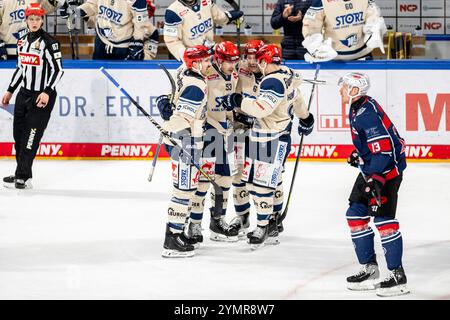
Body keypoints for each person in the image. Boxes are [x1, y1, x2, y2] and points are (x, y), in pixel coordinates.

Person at [222, 44, 314, 249]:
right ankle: (273, 223)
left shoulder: (272, 81)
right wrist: (306, 118)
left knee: (261, 185)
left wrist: (238, 100)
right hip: (278, 135)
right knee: (272, 181)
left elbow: (261, 109)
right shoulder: (288, 77)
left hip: (268, 137)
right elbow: (298, 100)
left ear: (264, 61)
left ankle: (262, 226)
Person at [339, 72, 409, 297]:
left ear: (355, 90)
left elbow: (385, 149)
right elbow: (374, 144)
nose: (341, 90)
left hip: (386, 172)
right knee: (355, 215)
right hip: (372, 170)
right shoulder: (359, 106)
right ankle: (370, 270)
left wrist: (376, 177)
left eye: (345, 87)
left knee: (384, 221)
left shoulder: (365, 114)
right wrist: (361, 155)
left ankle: (398, 277)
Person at [156, 45, 212, 258]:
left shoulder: (183, 71)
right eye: (206, 61)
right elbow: (182, 119)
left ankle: (178, 232)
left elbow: (172, 97)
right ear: (196, 63)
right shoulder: (196, 85)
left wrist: (164, 103)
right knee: (183, 190)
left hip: (183, 140)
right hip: (185, 142)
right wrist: (169, 118)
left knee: (186, 188)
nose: (210, 64)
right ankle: (172, 239)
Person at [1, 3, 64, 189]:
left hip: (42, 97)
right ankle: (23, 173)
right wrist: (10, 90)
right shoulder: (22, 42)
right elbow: (20, 69)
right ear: (26, 20)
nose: (34, 22)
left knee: (31, 137)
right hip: (23, 95)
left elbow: (58, 70)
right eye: (31, 19)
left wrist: (46, 91)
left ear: (42, 20)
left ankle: (22, 177)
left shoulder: (50, 42)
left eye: (37, 19)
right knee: (18, 136)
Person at [187, 41, 240, 245]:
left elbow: (228, 106)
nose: (232, 66)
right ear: (218, 59)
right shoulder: (204, 74)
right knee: (204, 180)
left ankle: (217, 222)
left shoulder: (233, 74)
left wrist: (233, 121)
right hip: (207, 132)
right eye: (228, 61)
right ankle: (194, 223)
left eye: (235, 61)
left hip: (225, 133)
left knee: (226, 179)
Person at [227, 39, 264, 238]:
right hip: (241, 127)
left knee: (263, 176)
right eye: (248, 57)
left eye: (255, 57)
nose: (251, 61)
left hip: (265, 130)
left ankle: (268, 219)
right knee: (238, 173)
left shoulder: (272, 73)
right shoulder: (238, 70)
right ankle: (242, 216)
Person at [63, 0, 158, 60]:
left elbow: (141, 21)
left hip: (122, 46)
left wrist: (137, 41)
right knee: (97, 74)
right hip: (101, 41)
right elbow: (92, 4)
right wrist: (77, 11)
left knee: (122, 79)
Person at [302, 0, 386, 62]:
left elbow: (373, 17)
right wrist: (316, 48)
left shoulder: (365, 1)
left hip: (362, 55)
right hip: (333, 58)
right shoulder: (321, 2)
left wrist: (374, 30)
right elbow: (310, 27)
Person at [163, 0, 243, 61]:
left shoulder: (206, 1)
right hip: (194, 60)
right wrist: (187, 56)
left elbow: (219, 17)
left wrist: (230, 17)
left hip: (212, 54)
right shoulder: (173, 11)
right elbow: (172, 42)